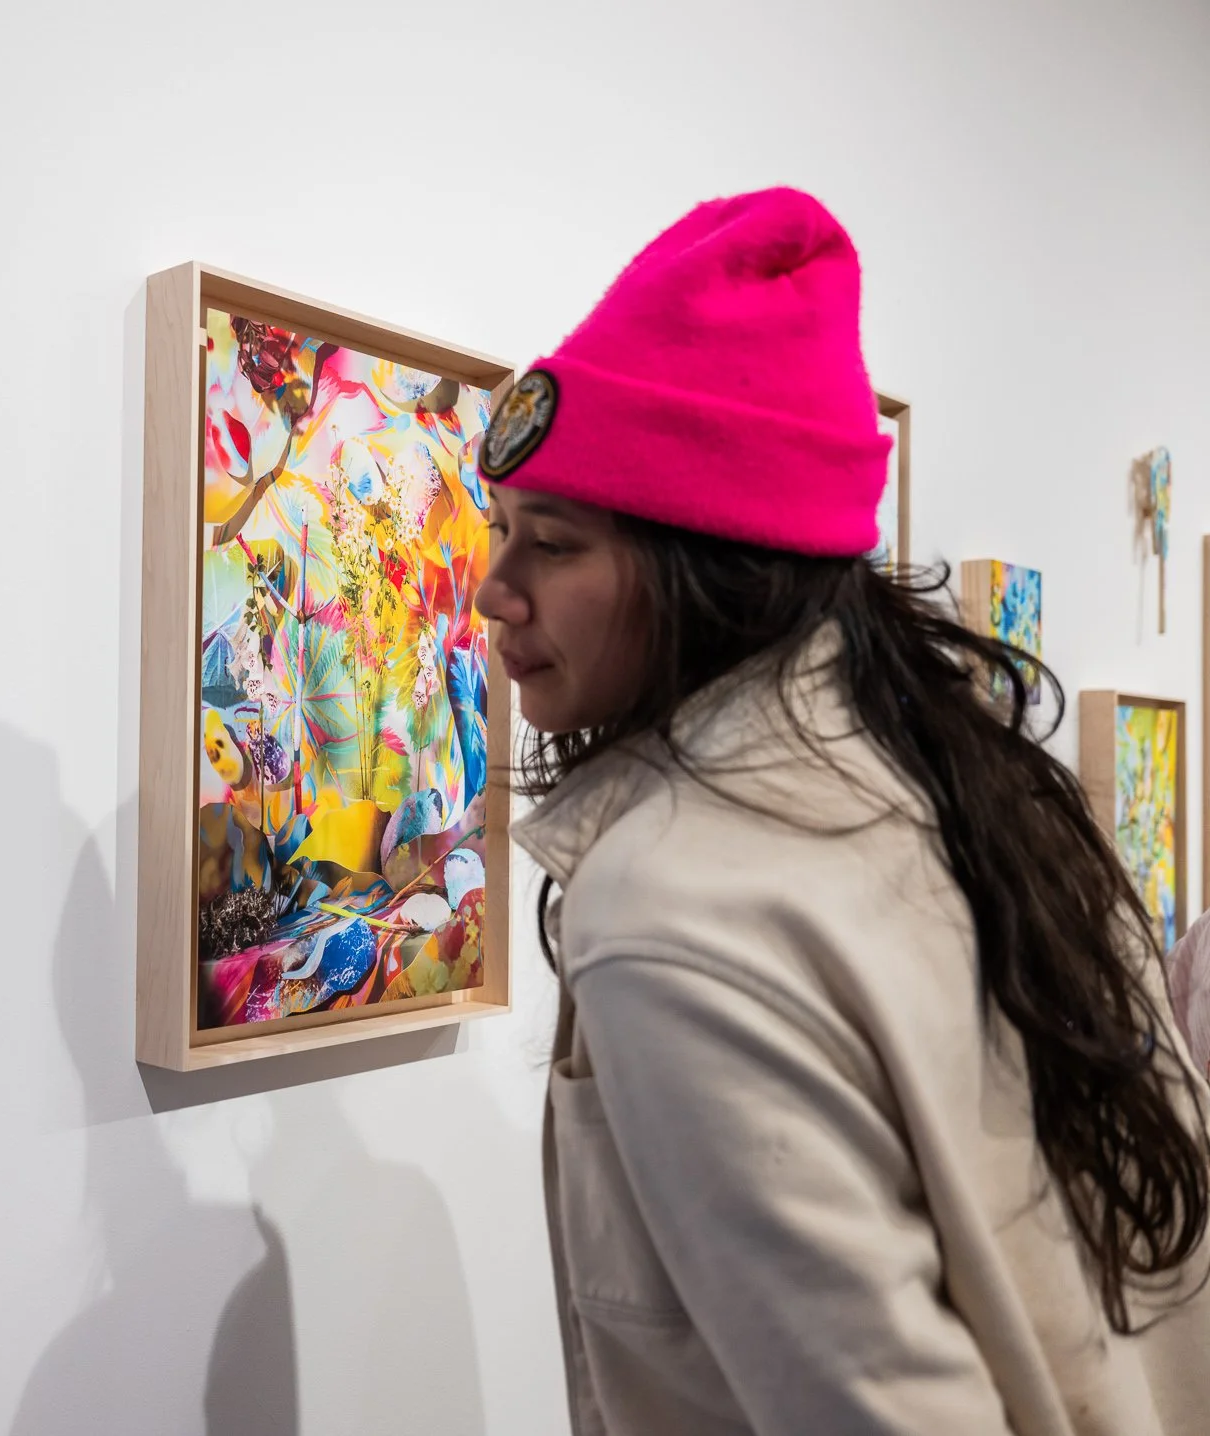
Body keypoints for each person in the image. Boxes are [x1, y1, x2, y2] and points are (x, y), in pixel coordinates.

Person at [472, 187, 1210, 1434]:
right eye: (501, 531)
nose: (493, 589)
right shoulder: (985, 791)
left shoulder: (669, 902)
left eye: (551, 543)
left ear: (697, 558)